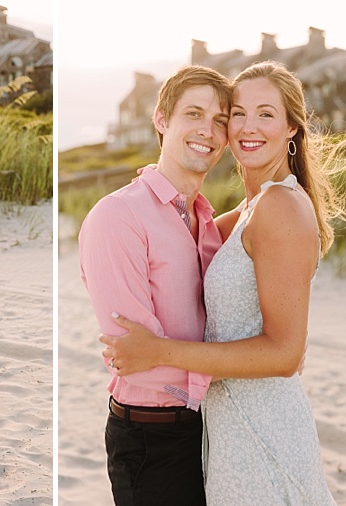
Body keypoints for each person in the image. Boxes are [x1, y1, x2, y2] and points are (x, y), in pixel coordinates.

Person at [99, 61, 346, 505]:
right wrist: (152, 184)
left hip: (262, 428)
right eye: (237, 113)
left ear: (292, 127)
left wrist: (159, 352)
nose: (247, 127)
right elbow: (175, 238)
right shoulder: (249, 210)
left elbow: (286, 354)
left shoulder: (281, 207)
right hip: (224, 426)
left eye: (266, 114)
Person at [78, 65, 232, 505]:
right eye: (194, 114)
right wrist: (254, 364)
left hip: (205, 426)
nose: (208, 129)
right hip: (151, 439)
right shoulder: (118, 216)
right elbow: (137, 356)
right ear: (162, 120)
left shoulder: (203, 217)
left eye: (220, 120)